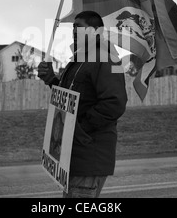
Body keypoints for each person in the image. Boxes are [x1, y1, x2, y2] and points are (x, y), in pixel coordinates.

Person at [38, 11, 127, 198]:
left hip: (90, 152)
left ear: (95, 31)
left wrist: (80, 128)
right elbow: (70, 99)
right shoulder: (80, 59)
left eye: (78, 27)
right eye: (73, 28)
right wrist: (51, 79)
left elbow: (114, 103)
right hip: (73, 153)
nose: (73, 32)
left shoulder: (107, 57)